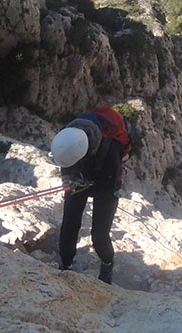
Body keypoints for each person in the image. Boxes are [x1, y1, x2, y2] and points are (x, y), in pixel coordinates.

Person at [50, 106, 132, 285]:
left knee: (99, 234)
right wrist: (71, 179)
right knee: (70, 222)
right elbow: (66, 166)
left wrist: (90, 182)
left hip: (106, 179)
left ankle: (107, 263)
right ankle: (65, 264)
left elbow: (109, 185)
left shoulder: (111, 152)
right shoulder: (67, 139)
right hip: (80, 175)